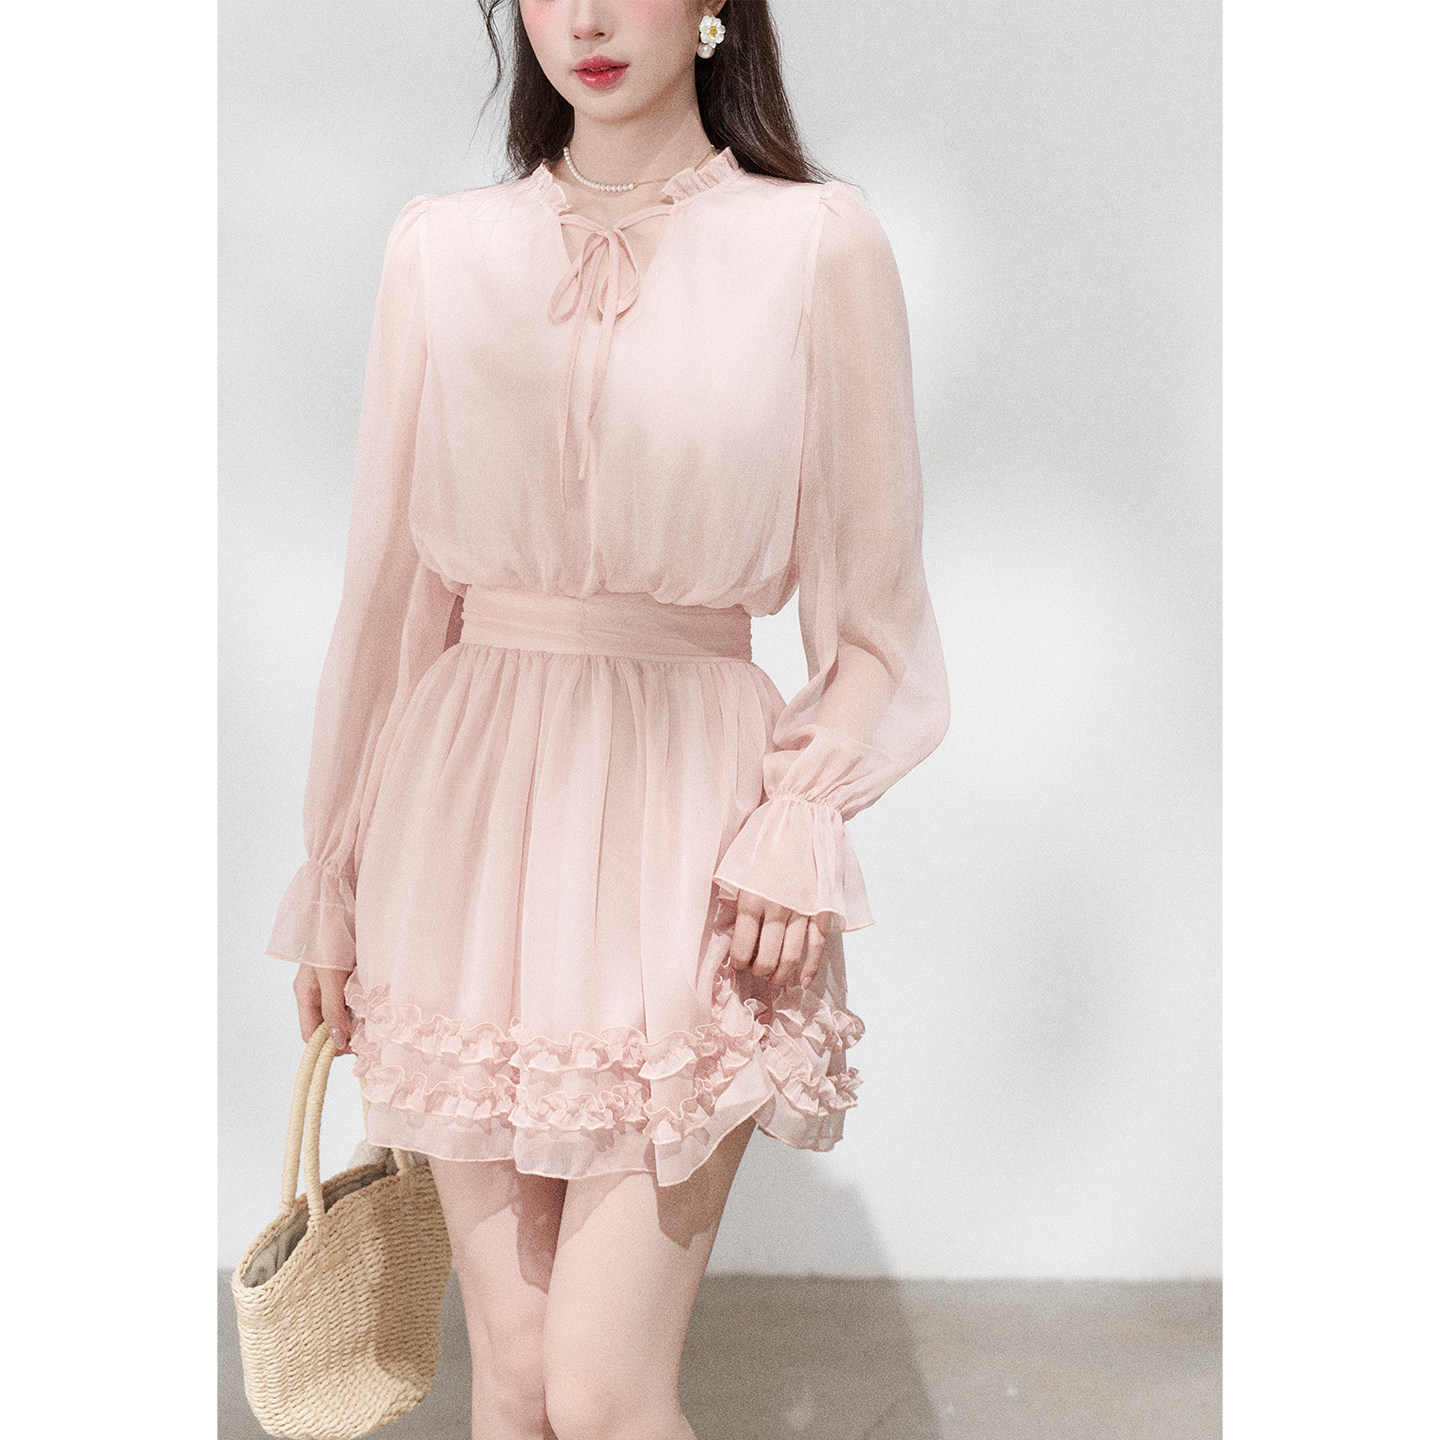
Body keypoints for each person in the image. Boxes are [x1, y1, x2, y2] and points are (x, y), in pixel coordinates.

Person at [266, 2, 950, 1437]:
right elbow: (390, 601)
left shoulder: (816, 246)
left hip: (688, 826)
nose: (586, 16)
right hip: (464, 823)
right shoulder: (440, 252)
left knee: (606, 1390)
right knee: (515, 1379)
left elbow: (878, 626)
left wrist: (800, 814)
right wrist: (332, 870)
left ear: (714, 9)